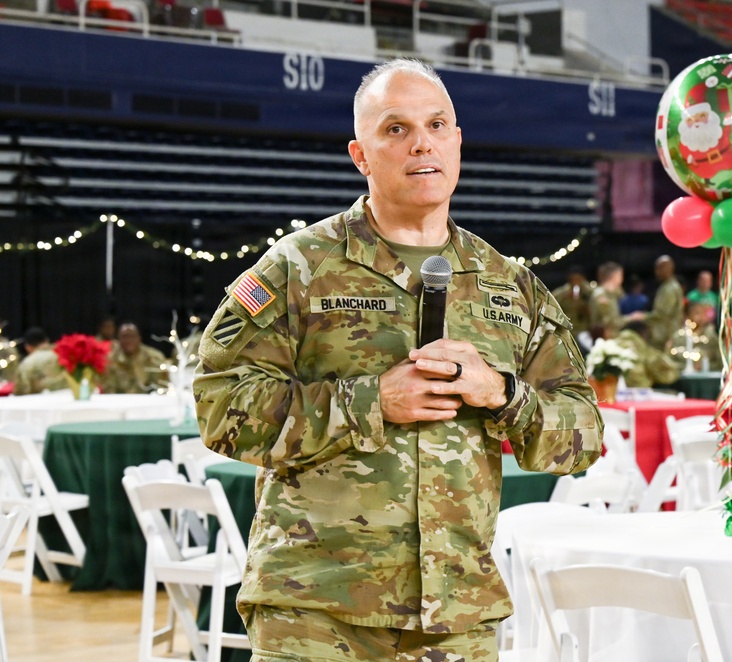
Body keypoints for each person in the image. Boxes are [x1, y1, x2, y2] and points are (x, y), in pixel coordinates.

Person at [192, 59, 602, 661]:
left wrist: (501, 393)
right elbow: (219, 404)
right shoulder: (299, 267)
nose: (421, 144)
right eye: (396, 129)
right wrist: (371, 400)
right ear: (361, 155)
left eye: (436, 125)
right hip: (316, 608)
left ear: (457, 141)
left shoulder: (509, 285)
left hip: (456, 616)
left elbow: (583, 436)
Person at [102, 322, 169, 393]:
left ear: (139, 338)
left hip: (148, 398)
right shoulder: (111, 359)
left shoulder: (154, 357)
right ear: (119, 339)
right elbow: (109, 390)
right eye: (124, 337)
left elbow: (161, 386)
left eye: (132, 336)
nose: (128, 340)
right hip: (120, 399)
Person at [615, 320, 682, 388]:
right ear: (644, 333)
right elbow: (667, 375)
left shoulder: (611, 345)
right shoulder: (645, 350)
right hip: (638, 391)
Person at [589, 261, 641, 338]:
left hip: (612, 336)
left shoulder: (612, 294)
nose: (622, 279)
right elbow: (610, 322)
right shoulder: (601, 295)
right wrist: (631, 318)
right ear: (614, 276)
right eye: (620, 275)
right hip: (605, 339)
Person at [667, 301, 721, 372]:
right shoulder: (678, 337)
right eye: (696, 313)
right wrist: (684, 367)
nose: (700, 317)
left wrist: (704, 366)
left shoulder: (711, 338)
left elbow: (720, 363)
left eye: (702, 313)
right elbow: (669, 361)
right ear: (688, 316)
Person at [13, 327, 68, 395]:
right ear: (47, 340)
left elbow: (20, 392)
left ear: (27, 347)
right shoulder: (65, 353)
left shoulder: (27, 364)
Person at [646, 255, 684, 349]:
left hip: (665, 337)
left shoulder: (669, 289)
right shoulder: (669, 286)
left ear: (669, 269)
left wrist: (641, 316)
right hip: (666, 336)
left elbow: (661, 313)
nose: (657, 272)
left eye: (659, 268)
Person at [550, 265, 591, 335]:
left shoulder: (589, 292)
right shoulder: (560, 293)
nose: (576, 282)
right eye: (573, 279)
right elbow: (552, 307)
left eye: (578, 279)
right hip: (566, 330)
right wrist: (564, 297)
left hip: (585, 330)